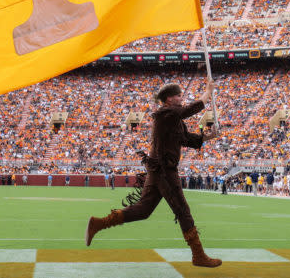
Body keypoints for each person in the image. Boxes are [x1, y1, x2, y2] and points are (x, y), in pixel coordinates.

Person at [85, 79, 222, 268]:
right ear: (168, 99)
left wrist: (208, 136)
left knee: (143, 210)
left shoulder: (173, 118)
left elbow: (187, 139)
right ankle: (198, 255)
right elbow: (187, 111)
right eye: (178, 95)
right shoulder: (165, 113)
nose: (182, 98)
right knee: (183, 211)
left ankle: (99, 223)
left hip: (158, 170)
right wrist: (208, 93)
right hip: (165, 170)